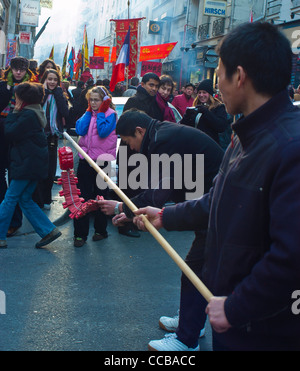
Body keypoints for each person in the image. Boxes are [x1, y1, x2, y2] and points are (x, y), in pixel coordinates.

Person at [134, 21, 300, 351]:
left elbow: (292, 256)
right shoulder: (244, 138)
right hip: (235, 323)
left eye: (219, 74)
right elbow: (217, 202)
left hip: (266, 333)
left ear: (239, 77)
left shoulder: (289, 147)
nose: (216, 85)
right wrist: (166, 216)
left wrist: (239, 307)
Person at [98, 109, 223, 277]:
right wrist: (130, 212)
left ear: (139, 131)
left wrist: (121, 207)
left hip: (216, 206)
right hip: (207, 204)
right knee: (197, 272)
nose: (131, 148)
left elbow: (158, 194)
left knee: (199, 273)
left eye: (128, 141)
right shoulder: (159, 134)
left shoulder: (161, 140)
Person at [0, 82, 61, 249]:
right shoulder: (35, 111)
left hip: (25, 165)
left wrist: (13, 112)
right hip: (33, 164)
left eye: (17, 97)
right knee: (24, 199)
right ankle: (48, 230)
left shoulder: (27, 115)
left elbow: (10, 132)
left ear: (23, 99)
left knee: (10, 198)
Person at [115, 73, 164, 238]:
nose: (154, 89)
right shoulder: (135, 101)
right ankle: (124, 223)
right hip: (130, 151)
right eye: (151, 85)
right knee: (127, 188)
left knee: (139, 187)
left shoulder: (155, 102)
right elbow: (125, 129)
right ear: (142, 84)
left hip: (144, 152)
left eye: (156, 86)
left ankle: (137, 219)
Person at [73, 86, 117, 248]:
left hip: (102, 161)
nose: (93, 102)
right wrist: (88, 112)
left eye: (97, 100)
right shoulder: (87, 114)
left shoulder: (111, 115)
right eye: (91, 100)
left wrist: (100, 112)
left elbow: (104, 131)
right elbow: (80, 129)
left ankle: (100, 230)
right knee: (82, 198)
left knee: (101, 197)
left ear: (105, 100)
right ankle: (80, 234)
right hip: (86, 161)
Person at [0, 56, 35, 237]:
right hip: (2, 135)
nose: (19, 72)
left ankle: (14, 221)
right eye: (16, 69)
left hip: (21, 137)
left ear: (26, 70)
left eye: (22, 69)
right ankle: (4, 219)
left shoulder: (33, 88)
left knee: (15, 181)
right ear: (11, 69)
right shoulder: (3, 86)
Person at [34, 68, 69, 209]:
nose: (52, 82)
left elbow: (65, 113)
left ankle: (46, 199)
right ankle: (37, 199)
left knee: (50, 170)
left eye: (55, 79)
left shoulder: (60, 94)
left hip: (53, 136)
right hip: (38, 135)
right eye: (50, 79)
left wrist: (59, 95)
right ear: (45, 80)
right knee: (37, 169)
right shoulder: (38, 93)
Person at [181, 79, 229, 146]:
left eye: (204, 92)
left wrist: (206, 112)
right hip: (194, 144)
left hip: (210, 146)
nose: (201, 95)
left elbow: (221, 127)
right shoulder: (196, 106)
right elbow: (185, 126)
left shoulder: (219, 107)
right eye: (199, 92)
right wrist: (186, 116)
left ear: (209, 94)